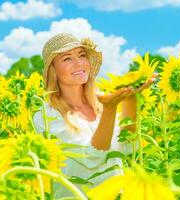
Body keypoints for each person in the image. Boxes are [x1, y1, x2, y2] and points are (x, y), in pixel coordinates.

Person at [33, 33, 156, 198]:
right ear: (53, 70)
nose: (79, 63)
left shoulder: (100, 102)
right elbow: (91, 157)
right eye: (67, 59)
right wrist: (110, 109)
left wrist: (130, 97)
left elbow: (127, 146)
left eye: (82, 55)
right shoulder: (46, 115)